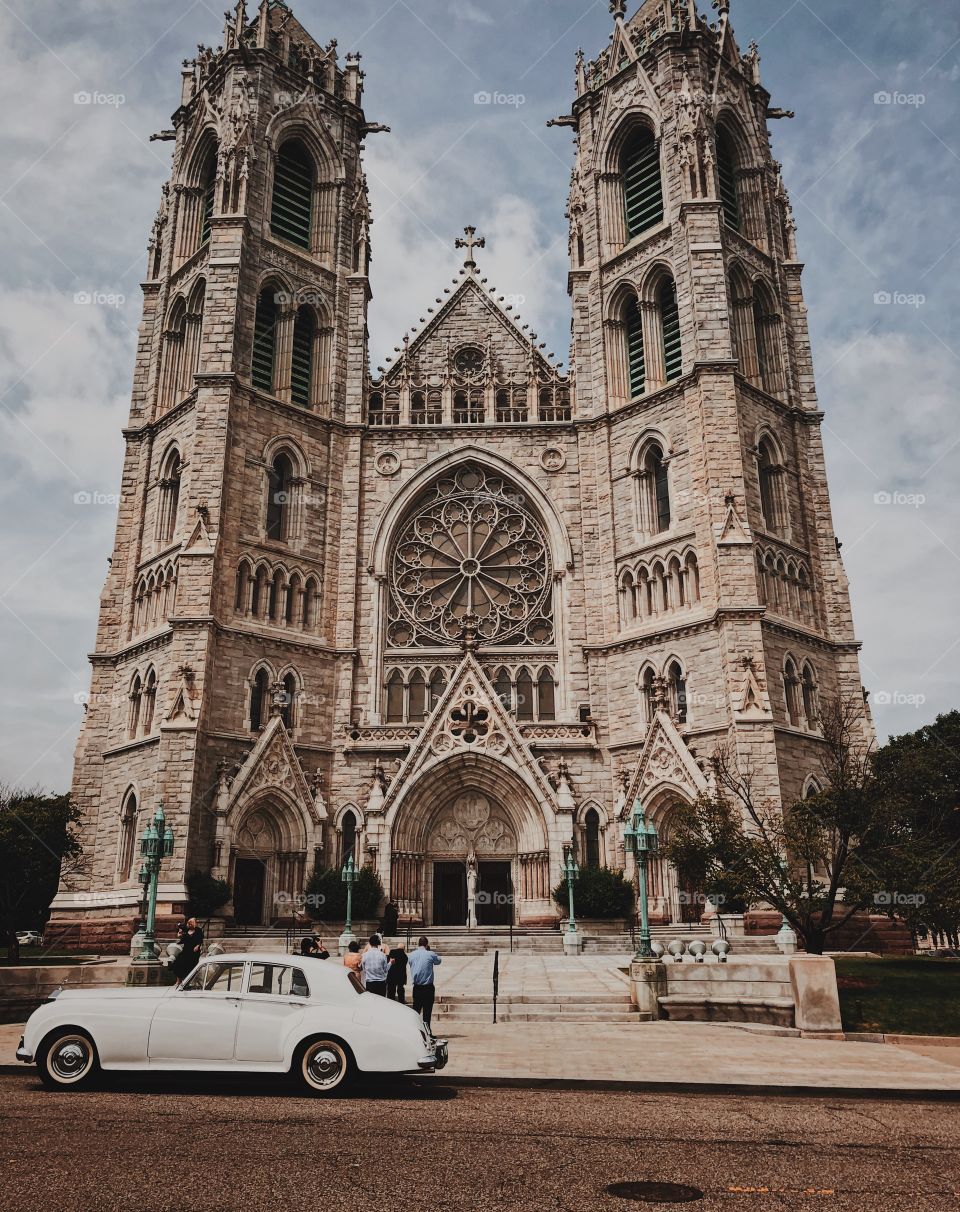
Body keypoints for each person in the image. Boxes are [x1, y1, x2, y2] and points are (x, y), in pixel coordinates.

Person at [409, 935, 441, 1033]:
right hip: (428, 987)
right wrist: (429, 951)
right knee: (427, 1012)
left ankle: (416, 1032)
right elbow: (438, 961)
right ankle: (427, 1032)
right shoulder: (430, 954)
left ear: (418, 944)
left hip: (417, 987)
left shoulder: (412, 955)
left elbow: (411, 964)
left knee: (416, 1011)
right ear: (426, 945)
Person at [171, 917, 203, 984]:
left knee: (191, 965)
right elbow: (181, 937)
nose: (190, 925)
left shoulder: (198, 930)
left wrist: (197, 946)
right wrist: (180, 934)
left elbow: (200, 940)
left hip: (194, 951)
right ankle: (178, 980)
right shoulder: (186, 930)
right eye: (189, 923)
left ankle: (189, 980)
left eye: (191, 923)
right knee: (178, 962)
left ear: (195, 924)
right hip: (186, 949)